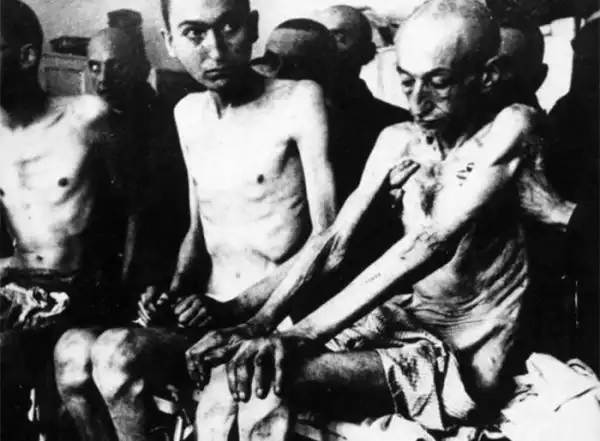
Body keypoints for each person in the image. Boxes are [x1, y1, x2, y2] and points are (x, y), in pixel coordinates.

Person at [186, 0, 551, 438]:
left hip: (465, 353)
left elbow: (430, 244)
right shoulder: (397, 139)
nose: (417, 102)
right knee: (231, 375)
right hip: (406, 322)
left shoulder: (513, 125)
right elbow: (334, 240)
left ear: (487, 76)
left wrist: (299, 335)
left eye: (439, 82)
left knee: (265, 384)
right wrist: (257, 323)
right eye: (406, 81)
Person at [56, 0, 337, 440]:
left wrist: (236, 308)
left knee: (116, 352)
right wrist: (172, 292)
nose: (216, 50)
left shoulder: (299, 99)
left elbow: (328, 241)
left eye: (229, 28)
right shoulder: (187, 113)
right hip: (209, 310)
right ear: (169, 42)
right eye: (194, 33)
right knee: (73, 351)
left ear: (252, 27)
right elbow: (197, 231)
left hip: (275, 316)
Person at [0, 1, 129, 439]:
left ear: (26, 56)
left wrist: (115, 287)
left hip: (82, 292)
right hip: (16, 290)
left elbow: (136, 210)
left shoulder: (85, 117)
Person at [85, 27, 189, 293]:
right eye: (95, 67)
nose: (103, 79)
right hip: (105, 269)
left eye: (116, 66)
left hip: (153, 275)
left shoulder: (168, 121)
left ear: (142, 69)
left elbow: (153, 213)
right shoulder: (97, 122)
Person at [313, 5, 411, 202]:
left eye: (338, 37)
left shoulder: (397, 123)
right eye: (317, 37)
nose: (325, 47)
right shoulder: (285, 116)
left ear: (367, 52)